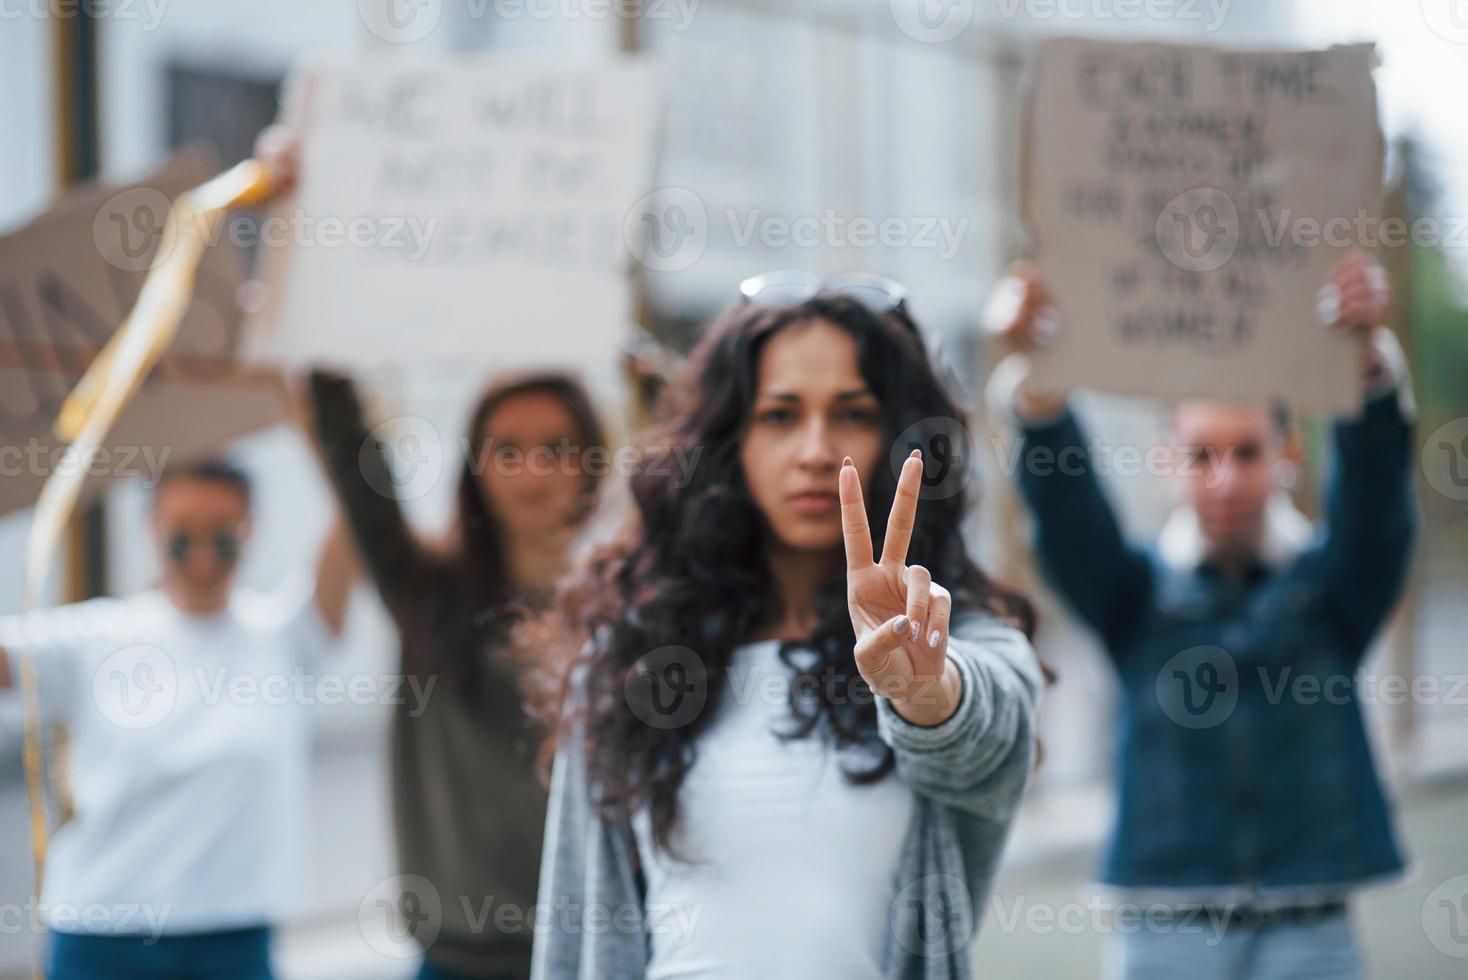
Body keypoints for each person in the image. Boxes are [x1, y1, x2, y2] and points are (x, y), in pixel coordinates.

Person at [529, 274, 1045, 980]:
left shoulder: (954, 642)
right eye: (779, 415)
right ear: (729, 439)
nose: (814, 450)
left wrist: (924, 693)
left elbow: (986, 726)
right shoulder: (631, 653)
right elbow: (574, 935)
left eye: (852, 413)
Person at [984, 251, 1416, 980]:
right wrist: (1038, 385)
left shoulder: (1334, 588)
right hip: (1164, 925)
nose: (1224, 479)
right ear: (1167, 459)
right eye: (1201, 454)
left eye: (1246, 453)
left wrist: (1367, 361)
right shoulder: (1134, 594)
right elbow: (1066, 515)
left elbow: (1375, 501)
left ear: (1287, 451)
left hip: (1310, 924)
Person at [0, 457, 354, 980]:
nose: (205, 560)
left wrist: (329, 428)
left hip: (234, 935)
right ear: (152, 530)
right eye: (183, 539)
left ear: (250, 530)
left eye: (224, 538)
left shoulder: (284, 636)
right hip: (103, 934)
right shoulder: (99, 637)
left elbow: (357, 524)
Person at [306, 368, 609, 980]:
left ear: (590, 463)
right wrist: (323, 348)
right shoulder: (427, 595)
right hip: (454, 956)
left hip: (592, 954)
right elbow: (353, 462)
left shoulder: (624, 609)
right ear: (476, 469)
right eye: (507, 451)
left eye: (556, 449)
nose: (533, 471)